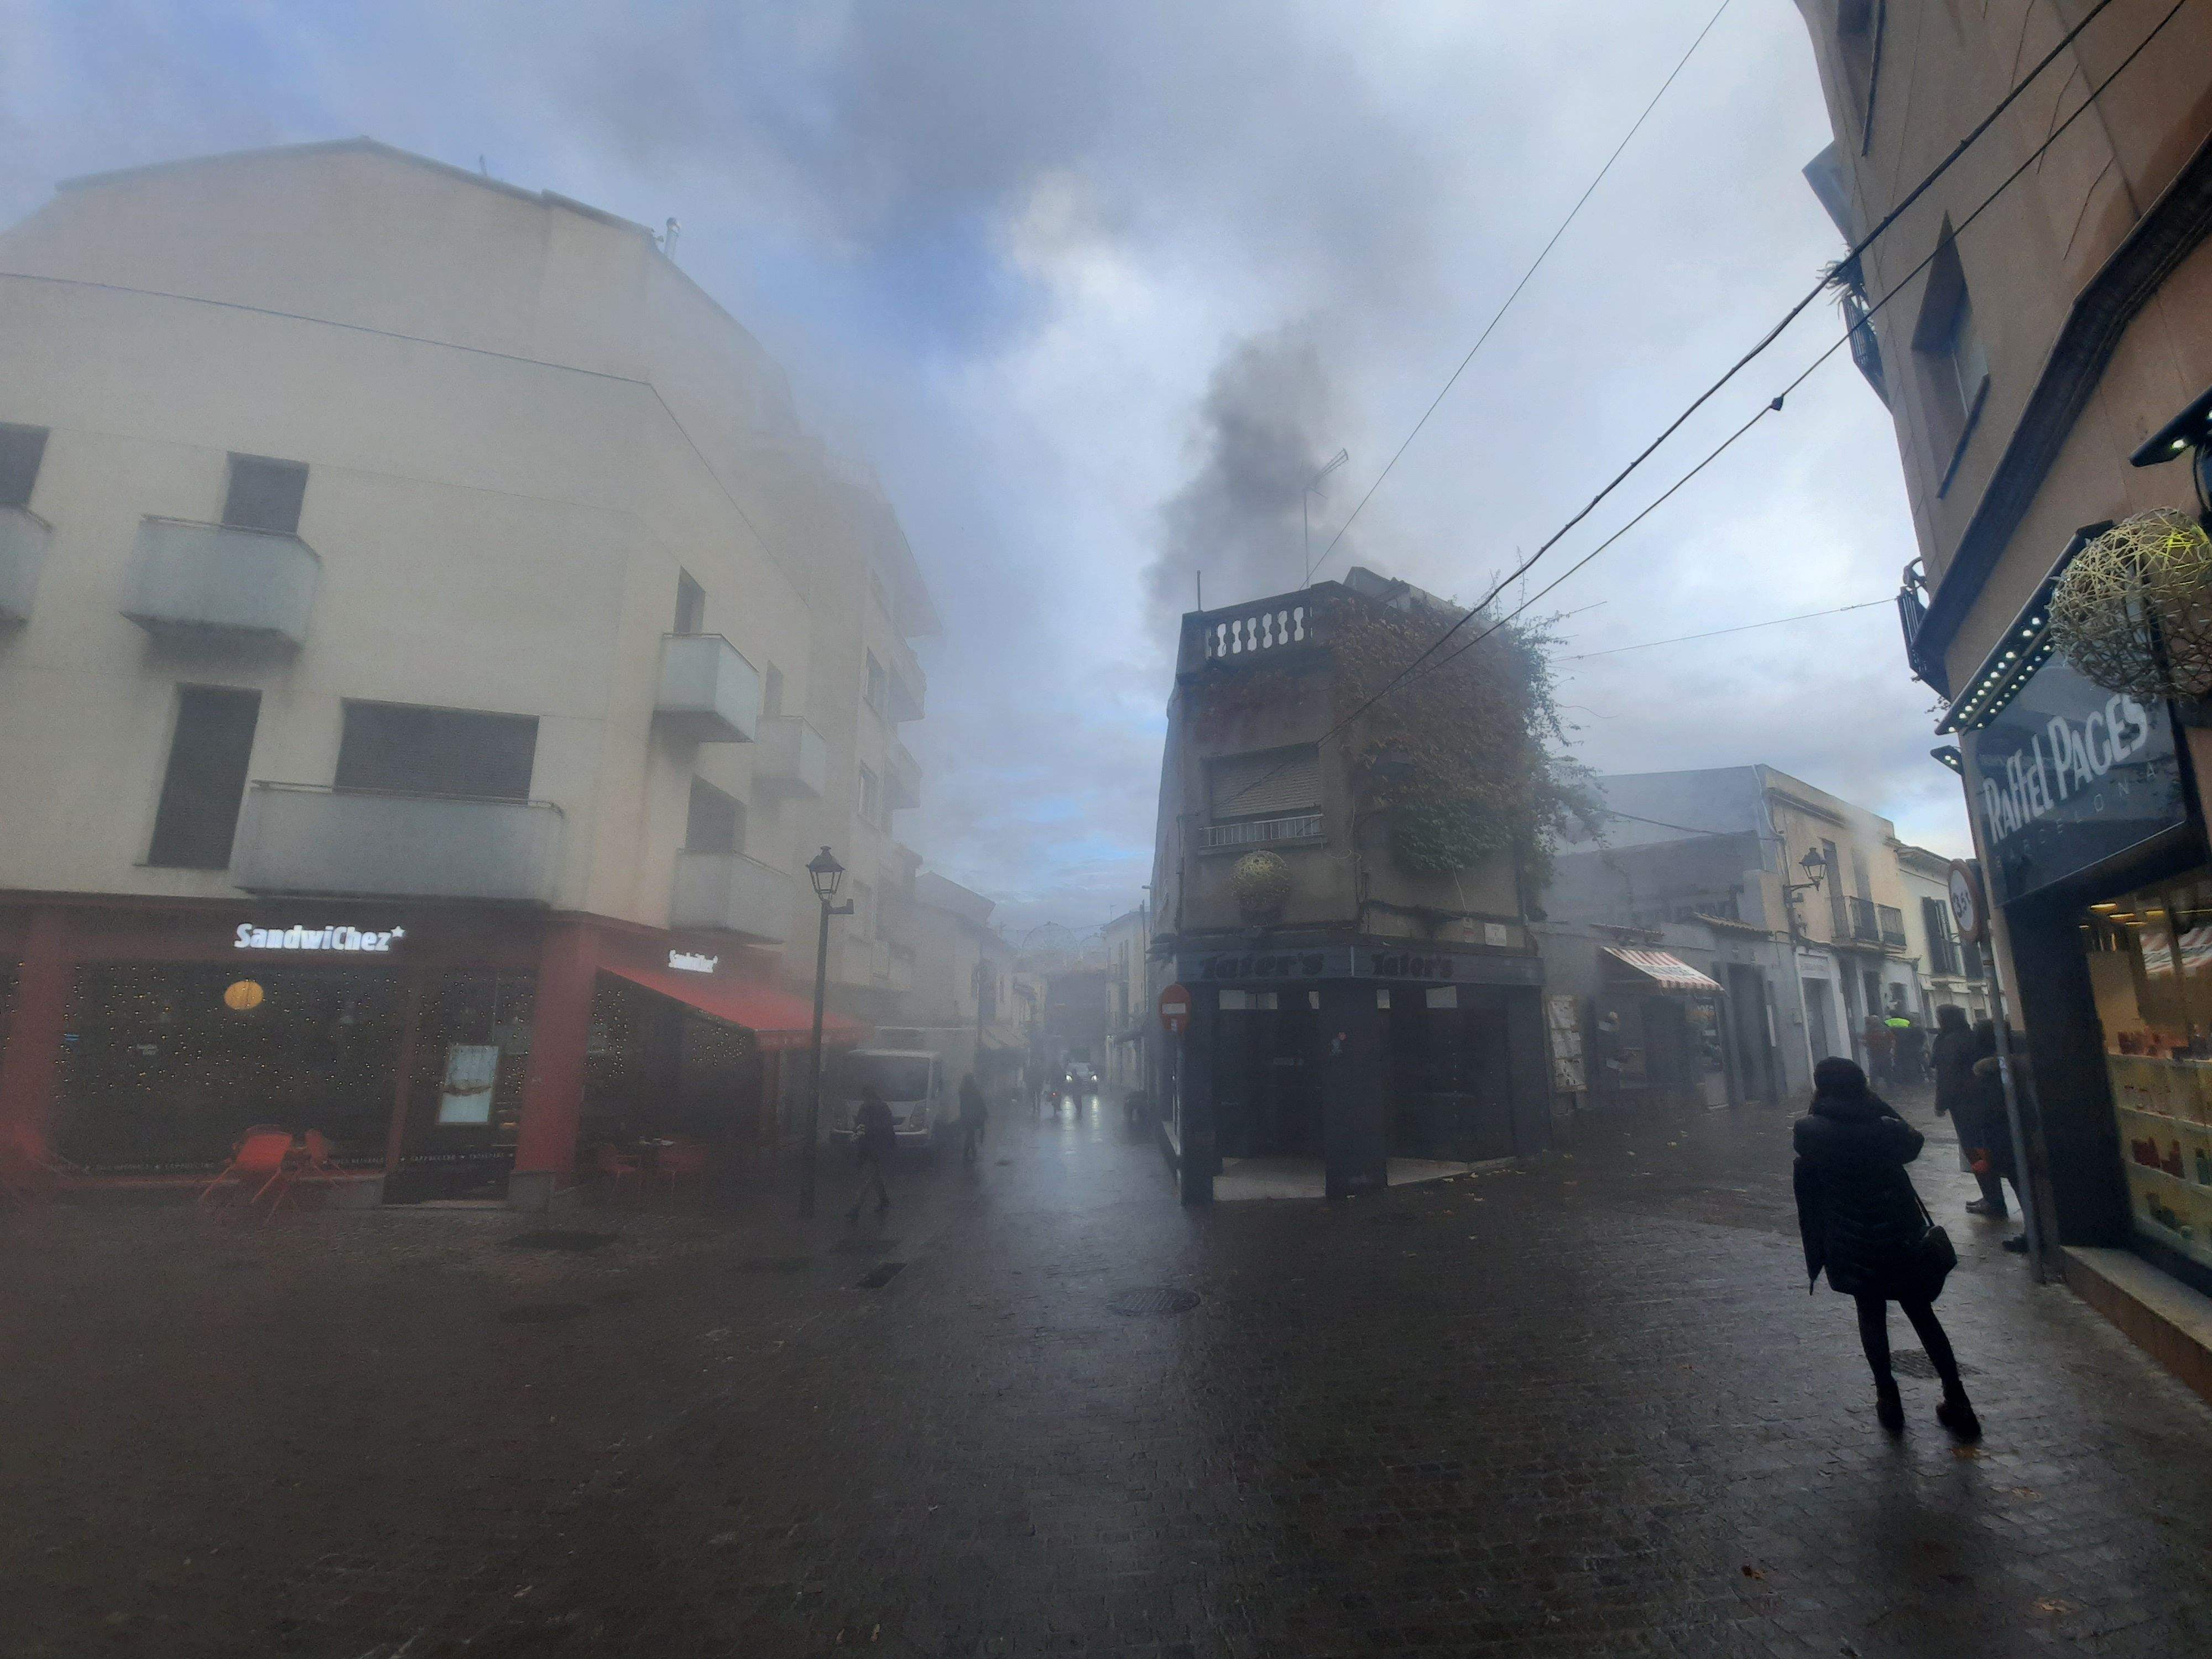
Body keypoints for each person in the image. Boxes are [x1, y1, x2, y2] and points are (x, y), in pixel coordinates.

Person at [1794, 1057, 1978, 1439]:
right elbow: (1914, 1141)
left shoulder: (1809, 1130)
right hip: (1900, 1236)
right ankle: (1958, 1398)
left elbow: (1809, 1189)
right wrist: (1873, 1102)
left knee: (1871, 1316)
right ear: (1861, 1084)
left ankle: (1888, 1400)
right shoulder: (1883, 1127)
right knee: (1923, 1315)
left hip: (1851, 1241)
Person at [1968, 1022, 2032, 1253]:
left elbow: (1993, 1109)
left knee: (2023, 1184)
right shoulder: (2015, 1065)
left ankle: (2033, 1235)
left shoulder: (1991, 1071)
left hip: (2005, 1137)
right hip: (2018, 1134)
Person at [845, 1084, 894, 1223]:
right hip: (875, 1148)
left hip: (872, 1148)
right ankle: (884, 1200)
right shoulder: (879, 1108)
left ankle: (856, 1209)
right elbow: (886, 1128)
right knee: (874, 1176)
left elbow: (863, 1126)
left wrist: (863, 1132)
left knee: (867, 1178)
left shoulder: (870, 1108)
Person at [958, 1071, 987, 1166]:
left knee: (970, 1134)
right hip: (973, 1116)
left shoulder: (962, 1091)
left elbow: (963, 1105)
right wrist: (984, 1113)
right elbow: (980, 1103)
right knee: (971, 1135)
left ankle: (968, 1153)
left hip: (966, 1116)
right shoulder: (974, 1091)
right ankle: (971, 1153)